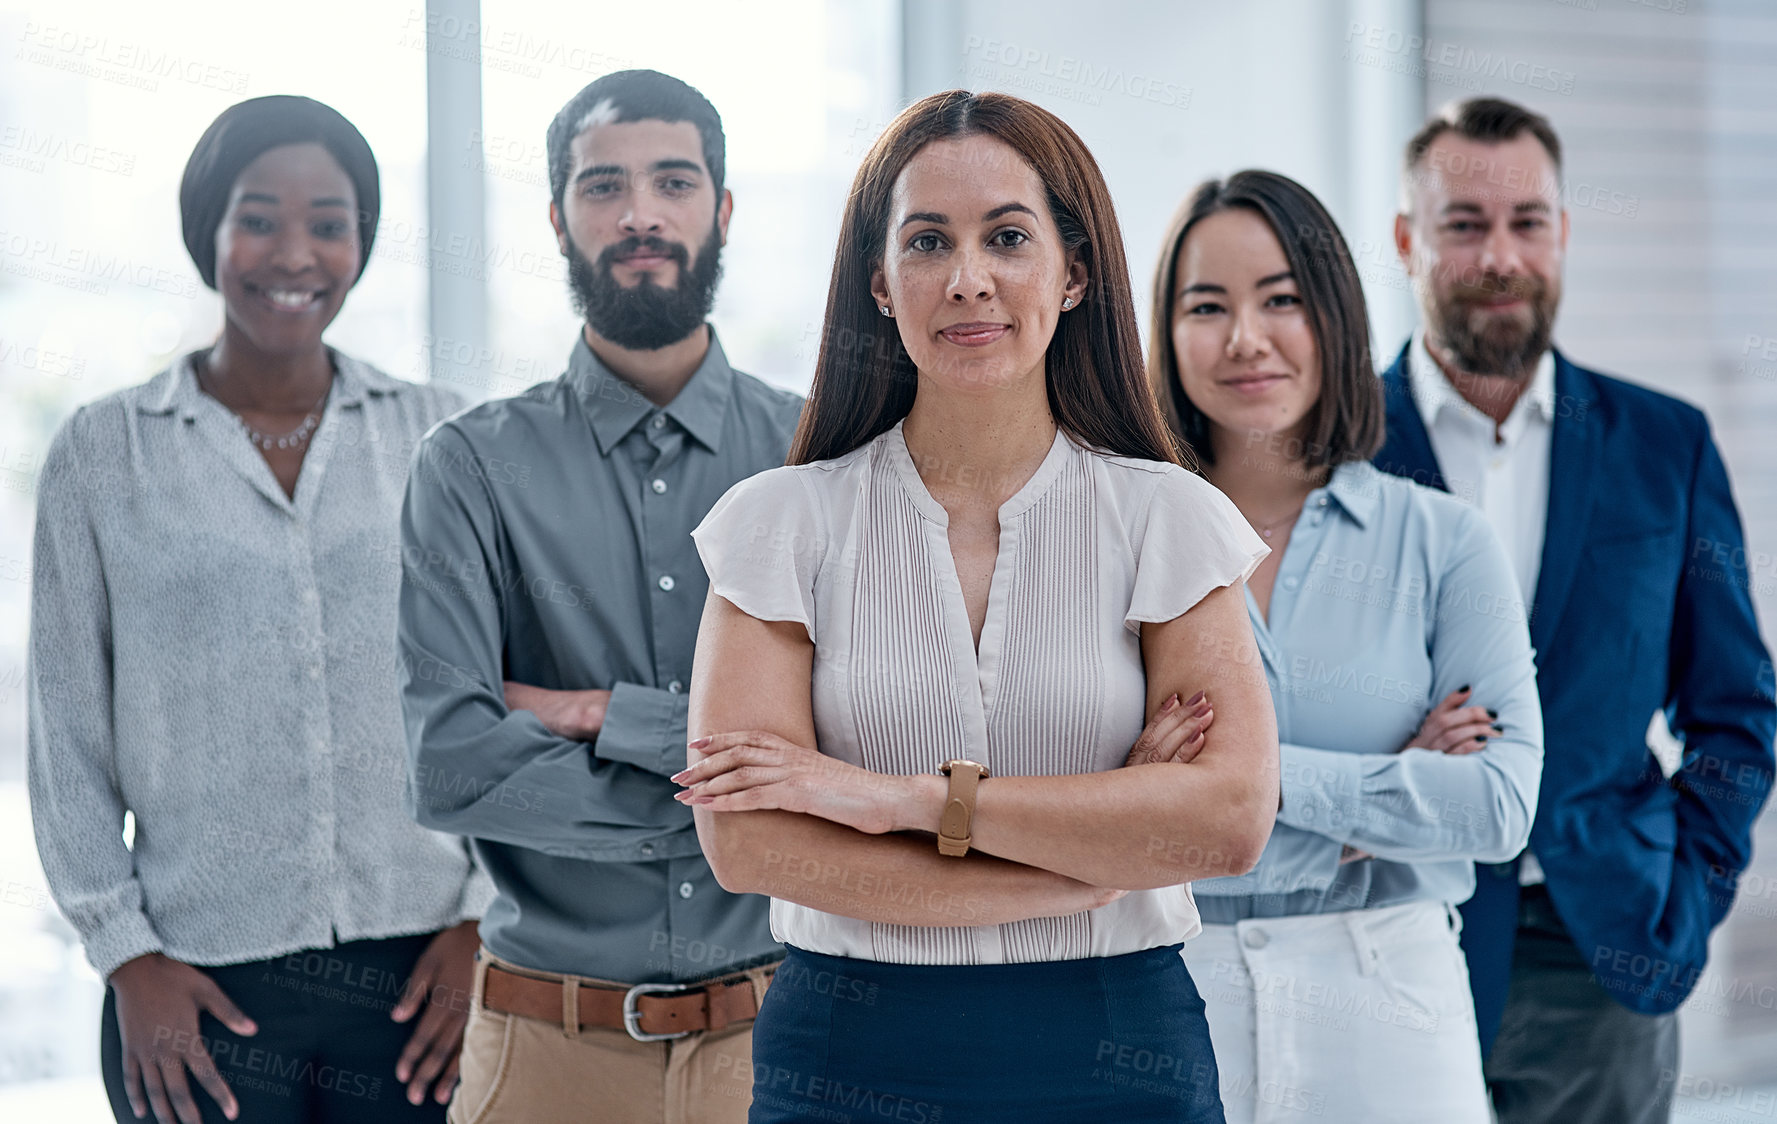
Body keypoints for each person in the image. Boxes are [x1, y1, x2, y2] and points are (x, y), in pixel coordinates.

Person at [672, 89, 1279, 1124]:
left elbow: (1223, 822)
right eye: (925, 241)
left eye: (1007, 236)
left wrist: (894, 798)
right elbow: (752, 845)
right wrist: (1086, 865)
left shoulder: (1168, 518)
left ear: (1074, 271)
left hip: (1116, 1044)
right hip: (846, 1047)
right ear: (879, 280)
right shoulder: (778, 525)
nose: (967, 280)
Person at [28, 95, 485, 1124]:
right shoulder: (107, 453)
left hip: (421, 982)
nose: (295, 251)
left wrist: (480, 920)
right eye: (259, 216)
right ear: (209, 231)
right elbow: (65, 734)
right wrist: (126, 954)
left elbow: (499, 693)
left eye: (328, 220)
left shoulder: (438, 437)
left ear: (361, 240)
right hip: (195, 983)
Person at [397, 70, 802, 1124]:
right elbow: (450, 767)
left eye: (673, 181)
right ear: (557, 218)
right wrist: (744, 790)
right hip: (540, 1053)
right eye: (601, 186)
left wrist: (593, 714)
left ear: (721, 208)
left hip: (782, 1040)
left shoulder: (818, 458)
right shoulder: (469, 469)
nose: (639, 215)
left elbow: (857, 742)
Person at [1376, 96, 1776, 1124]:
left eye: (1528, 222)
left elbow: (1736, 707)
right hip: (1386, 932)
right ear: (1406, 239)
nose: (1500, 256)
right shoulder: (1332, 448)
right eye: (1464, 224)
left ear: (1564, 234)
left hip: (1601, 944)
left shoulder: (1664, 445)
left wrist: (1681, 897)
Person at [1146, 169, 1544, 1123]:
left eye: (1280, 299)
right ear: (1163, 335)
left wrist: (1242, 786)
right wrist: (1380, 802)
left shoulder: (1444, 543)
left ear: (1331, 314)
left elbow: (1496, 806)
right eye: (1208, 305)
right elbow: (1087, 807)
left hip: (1389, 993)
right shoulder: (1121, 548)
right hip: (1169, 989)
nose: (1246, 339)